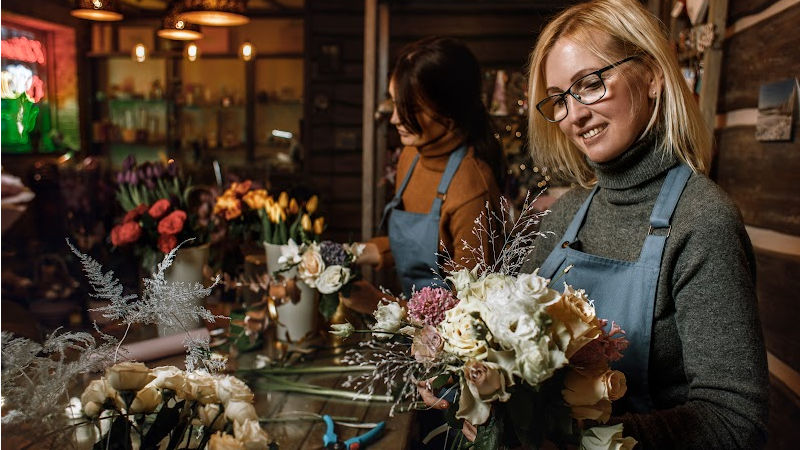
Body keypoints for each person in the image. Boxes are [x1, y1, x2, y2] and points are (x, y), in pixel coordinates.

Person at [420, 0, 768, 447]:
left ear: (652, 75)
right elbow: (501, 342)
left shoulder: (702, 222)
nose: (573, 114)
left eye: (589, 84)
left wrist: (573, 438)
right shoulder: (567, 212)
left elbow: (735, 419)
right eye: (559, 99)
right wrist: (462, 377)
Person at [343, 36, 504, 313]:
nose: (395, 119)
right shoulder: (412, 156)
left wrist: (381, 306)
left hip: (454, 344)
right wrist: (350, 255)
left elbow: (469, 310)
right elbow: (422, 250)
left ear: (448, 110)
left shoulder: (471, 189)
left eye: (409, 108)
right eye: (393, 103)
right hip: (414, 327)